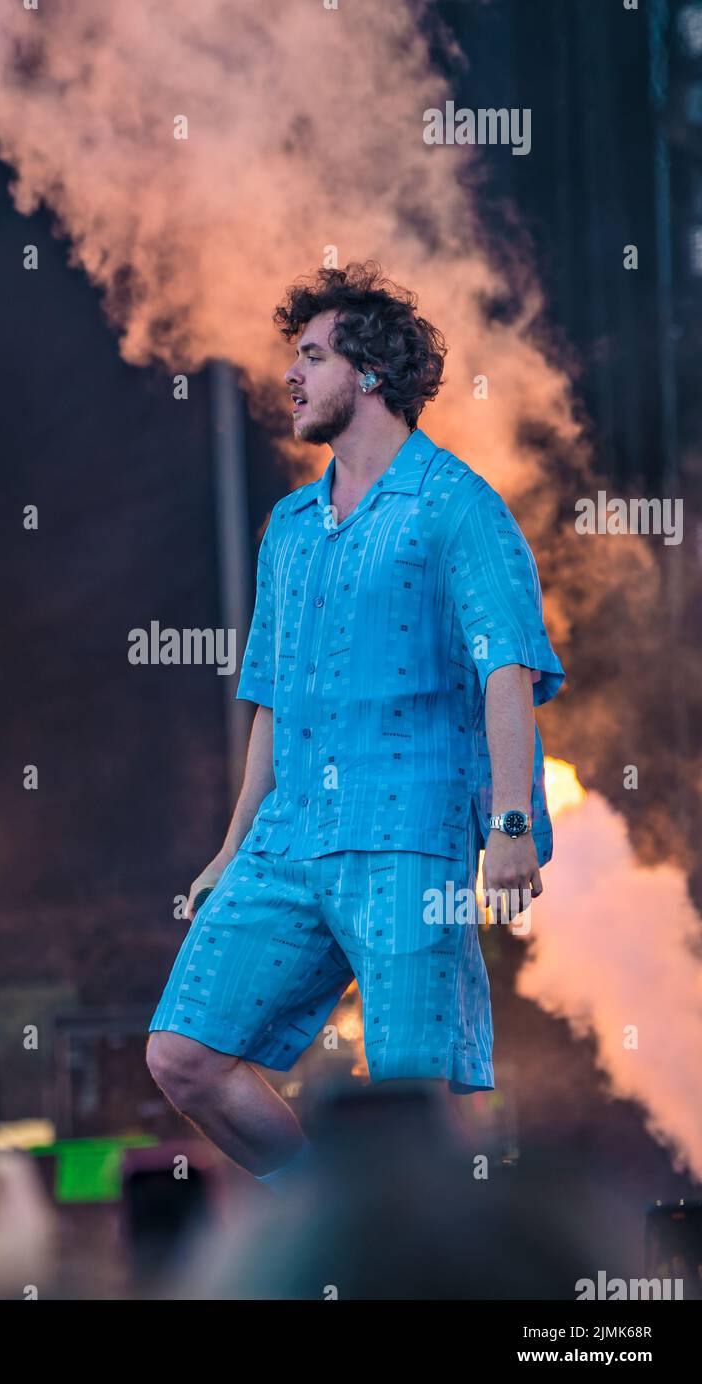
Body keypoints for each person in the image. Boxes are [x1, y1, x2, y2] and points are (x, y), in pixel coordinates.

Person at [146, 261, 565, 1193]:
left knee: (417, 1102)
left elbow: (510, 669)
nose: (289, 375)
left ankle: (424, 1265)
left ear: (370, 374)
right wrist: (231, 847)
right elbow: (270, 702)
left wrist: (508, 825)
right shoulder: (290, 526)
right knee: (184, 1056)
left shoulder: (456, 504)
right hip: (289, 843)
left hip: (407, 840)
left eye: (312, 356)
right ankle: (333, 1217)